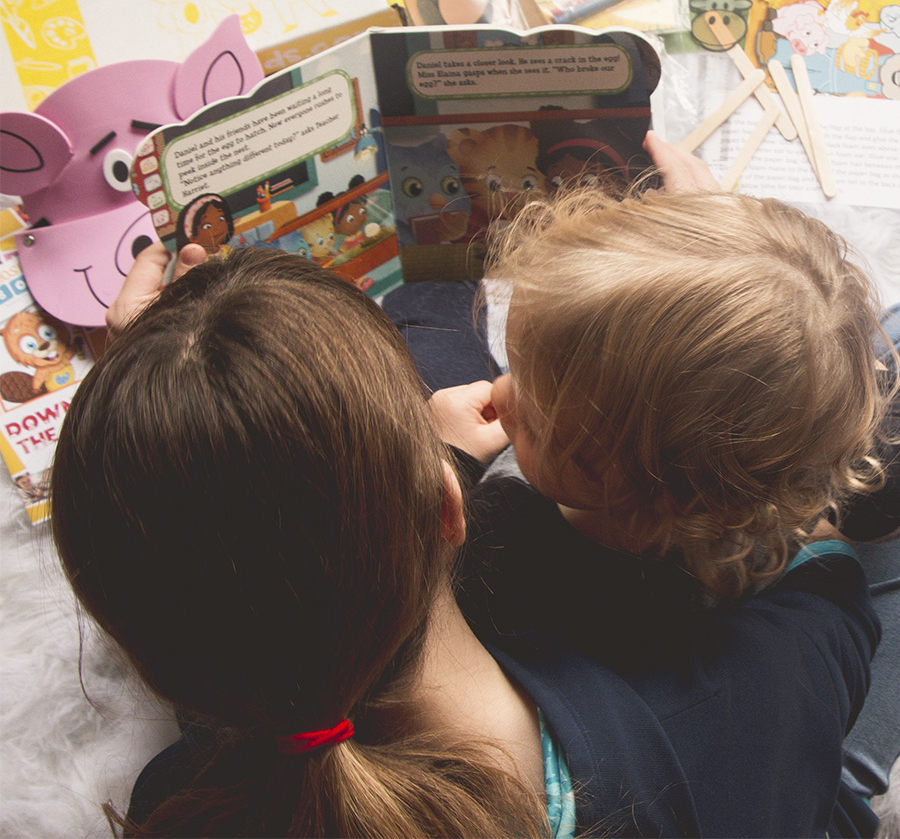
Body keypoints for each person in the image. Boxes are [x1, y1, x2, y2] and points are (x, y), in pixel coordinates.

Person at [50, 139, 883, 838]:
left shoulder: (188, 796)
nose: (497, 393)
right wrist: (749, 307)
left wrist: (151, 402)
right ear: (452, 503)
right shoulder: (757, 697)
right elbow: (838, 607)